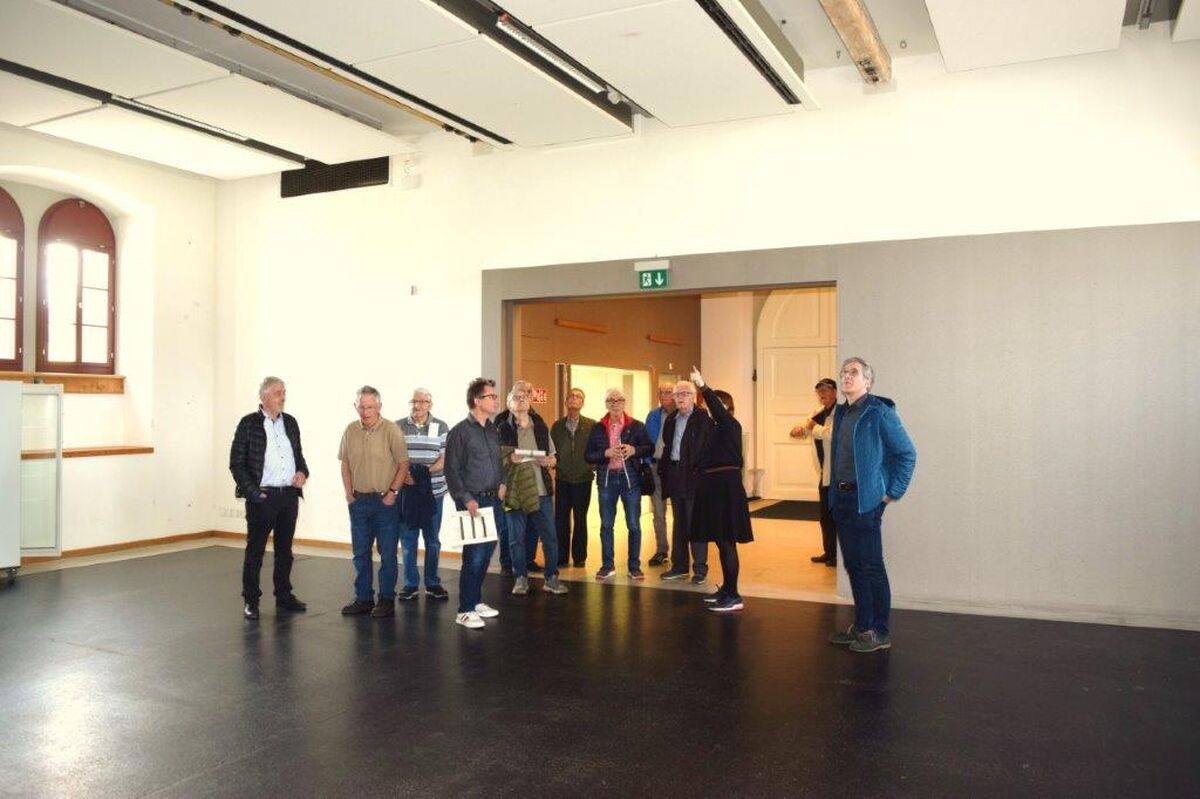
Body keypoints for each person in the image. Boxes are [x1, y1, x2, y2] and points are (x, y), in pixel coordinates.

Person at [827, 357, 917, 653]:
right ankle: (862, 624)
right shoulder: (842, 412)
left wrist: (891, 493)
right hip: (842, 499)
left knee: (871, 566)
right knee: (854, 565)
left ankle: (879, 631)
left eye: (853, 372)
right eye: (844, 372)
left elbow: (907, 454)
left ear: (868, 381)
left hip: (866, 502)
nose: (846, 376)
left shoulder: (879, 412)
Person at [229, 376, 310, 621]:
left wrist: (302, 472)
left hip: (288, 496)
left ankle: (284, 595)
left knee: (285, 550)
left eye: (284, 392)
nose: (283, 397)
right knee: (255, 551)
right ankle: (251, 601)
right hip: (263, 497)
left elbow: (299, 456)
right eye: (277, 393)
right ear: (263, 396)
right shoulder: (249, 424)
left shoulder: (291, 423)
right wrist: (254, 493)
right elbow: (236, 463)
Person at [338, 386, 410, 619]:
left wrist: (392, 493)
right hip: (358, 502)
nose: (366, 411)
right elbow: (345, 464)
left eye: (370, 407)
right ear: (355, 406)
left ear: (379, 406)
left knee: (387, 553)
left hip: (385, 503)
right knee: (360, 553)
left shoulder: (391, 430)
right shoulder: (350, 430)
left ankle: (386, 599)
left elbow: (403, 465)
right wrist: (349, 494)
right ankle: (363, 598)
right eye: (362, 406)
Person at [687, 369, 754, 612]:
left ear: (725, 407)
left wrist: (703, 386)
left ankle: (734, 595)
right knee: (721, 541)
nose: (708, 409)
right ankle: (726, 589)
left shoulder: (730, 425)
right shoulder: (716, 429)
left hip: (725, 489)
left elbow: (715, 407)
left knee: (727, 543)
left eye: (713, 405)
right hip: (714, 488)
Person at [444, 378, 506, 630]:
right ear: (477, 401)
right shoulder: (460, 431)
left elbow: (498, 461)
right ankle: (464, 610)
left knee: (486, 553)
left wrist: (502, 482)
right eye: (491, 396)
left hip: (493, 499)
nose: (496, 400)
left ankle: (476, 601)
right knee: (474, 556)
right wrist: (466, 498)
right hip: (473, 501)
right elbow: (452, 470)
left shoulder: (492, 429)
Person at [498, 386, 568, 596]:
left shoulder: (541, 427)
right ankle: (520, 578)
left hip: (542, 491)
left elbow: (554, 457)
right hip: (514, 492)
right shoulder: (502, 428)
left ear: (530, 402)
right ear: (509, 403)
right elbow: (493, 459)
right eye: (515, 397)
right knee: (515, 539)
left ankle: (551, 578)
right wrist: (508, 458)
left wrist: (550, 461)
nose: (520, 400)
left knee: (550, 537)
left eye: (524, 397)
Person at [585, 387, 654, 581]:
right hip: (606, 481)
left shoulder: (637, 426)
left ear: (624, 403)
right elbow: (588, 455)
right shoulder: (598, 427)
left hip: (630, 480)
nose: (615, 404)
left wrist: (634, 450)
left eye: (619, 400)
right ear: (606, 404)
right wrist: (605, 453)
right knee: (606, 525)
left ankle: (634, 567)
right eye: (611, 400)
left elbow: (649, 448)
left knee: (634, 524)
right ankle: (608, 565)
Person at [396, 387, 450, 601]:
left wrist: (422, 474)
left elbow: (445, 458)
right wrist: (406, 475)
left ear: (430, 405)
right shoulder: (399, 426)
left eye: (422, 401)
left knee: (432, 539)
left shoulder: (441, 426)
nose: (417, 405)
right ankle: (410, 584)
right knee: (408, 539)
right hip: (407, 492)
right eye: (414, 401)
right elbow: (392, 456)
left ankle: (432, 583)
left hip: (433, 492)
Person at [658, 380, 712, 585]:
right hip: (674, 474)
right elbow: (667, 444)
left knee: (695, 523)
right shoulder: (671, 419)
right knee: (679, 523)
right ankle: (679, 567)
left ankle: (700, 569)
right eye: (677, 394)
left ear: (693, 397)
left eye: (685, 394)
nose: (680, 398)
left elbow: (707, 449)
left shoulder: (703, 418)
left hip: (694, 476)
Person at [493, 378, 542, 575]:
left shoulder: (537, 419)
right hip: (510, 480)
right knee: (508, 526)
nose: (523, 397)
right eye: (519, 393)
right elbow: (498, 452)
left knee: (532, 524)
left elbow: (543, 449)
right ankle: (507, 562)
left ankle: (529, 559)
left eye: (527, 393)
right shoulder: (501, 420)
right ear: (511, 396)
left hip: (532, 479)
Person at [790, 378, 839, 567]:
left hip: (837, 472)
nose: (821, 395)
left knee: (835, 516)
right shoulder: (817, 413)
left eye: (825, 391)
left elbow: (831, 434)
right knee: (825, 516)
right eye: (819, 392)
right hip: (824, 472)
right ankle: (829, 552)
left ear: (835, 391)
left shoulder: (841, 412)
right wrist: (798, 431)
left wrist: (812, 427)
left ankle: (837, 555)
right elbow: (807, 431)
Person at [550, 387, 595, 568]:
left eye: (578, 397)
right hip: (563, 478)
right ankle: (561, 557)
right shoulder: (557, 426)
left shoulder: (591, 425)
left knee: (580, 518)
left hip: (584, 479)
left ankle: (579, 557)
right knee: (561, 519)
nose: (574, 399)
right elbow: (552, 450)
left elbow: (596, 449)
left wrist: (590, 466)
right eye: (571, 397)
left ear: (582, 403)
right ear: (566, 402)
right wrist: (556, 464)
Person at [643, 381, 676, 566]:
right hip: (655, 467)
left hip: (675, 468)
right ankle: (661, 550)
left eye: (668, 392)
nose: (664, 396)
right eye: (661, 392)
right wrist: (646, 463)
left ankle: (680, 553)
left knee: (680, 513)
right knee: (658, 512)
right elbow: (646, 440)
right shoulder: (653, 415)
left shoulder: (682, 414)